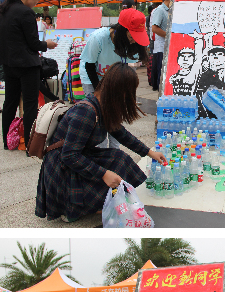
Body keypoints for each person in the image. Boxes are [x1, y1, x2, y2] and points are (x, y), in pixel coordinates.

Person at [35, 62, 166, 223]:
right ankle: (71, 206)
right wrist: (103, 174)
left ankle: (92, 201)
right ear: (119, 90)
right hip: (62, 170)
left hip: (79, 157)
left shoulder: (102, 105)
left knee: (119, 159)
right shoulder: (86, 111)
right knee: (108, 180)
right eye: (130, 91)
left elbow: (122, 134)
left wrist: (150, 153)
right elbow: (69, 156)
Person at [0, 0, 58, 150]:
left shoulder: (4, 10)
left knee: (10, 102)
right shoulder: (26, 12)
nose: (36, 3)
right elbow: (33, 42)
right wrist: (47, 44)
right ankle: (30, 144)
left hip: (8, 63)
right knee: (30, 105)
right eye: (37, 0)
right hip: (26, 64)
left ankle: (7, 141)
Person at [79, 8, 149, 132]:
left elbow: (129, 69)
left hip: (114, 77)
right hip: (93, 76)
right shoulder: (99, 38)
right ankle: (97, 140)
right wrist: (98, 92)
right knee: (98, 112)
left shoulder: (132, 43)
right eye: (131, 36)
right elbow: (89, 66)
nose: (133, 40)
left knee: (114, 115)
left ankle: (114, 141)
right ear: (122, 31)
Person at [151, 0, 172, 91]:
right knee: (161, 73)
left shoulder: (169, 10)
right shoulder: (160, 10)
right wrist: (170, 36)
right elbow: (154, 28)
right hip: (161, 48)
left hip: (167, 47)